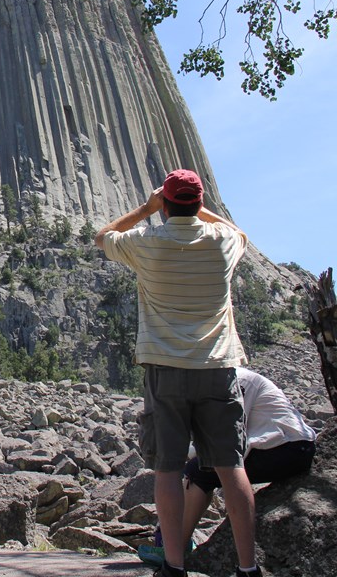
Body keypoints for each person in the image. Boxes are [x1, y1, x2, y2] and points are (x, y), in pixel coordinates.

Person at [95, 169, 259, 577]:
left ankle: (173, 565)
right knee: (230, 466)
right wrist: (202, 211)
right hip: (218, 368)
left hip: (166, 370)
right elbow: (240, 233)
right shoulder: (222, 243)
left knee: (167, 469)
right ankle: (248, 567)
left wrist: (147, 209)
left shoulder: (148, 242)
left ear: (166, 204)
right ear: (198, 204)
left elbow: (102, 236)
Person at [138, 367, 317, 567]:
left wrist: (184, 456)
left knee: (200, 471)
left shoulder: (235, 381)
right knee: (204, 467)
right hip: (294, 446)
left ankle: (174, 549)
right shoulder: (229, 378)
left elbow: (228, 438)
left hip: (286, 447)